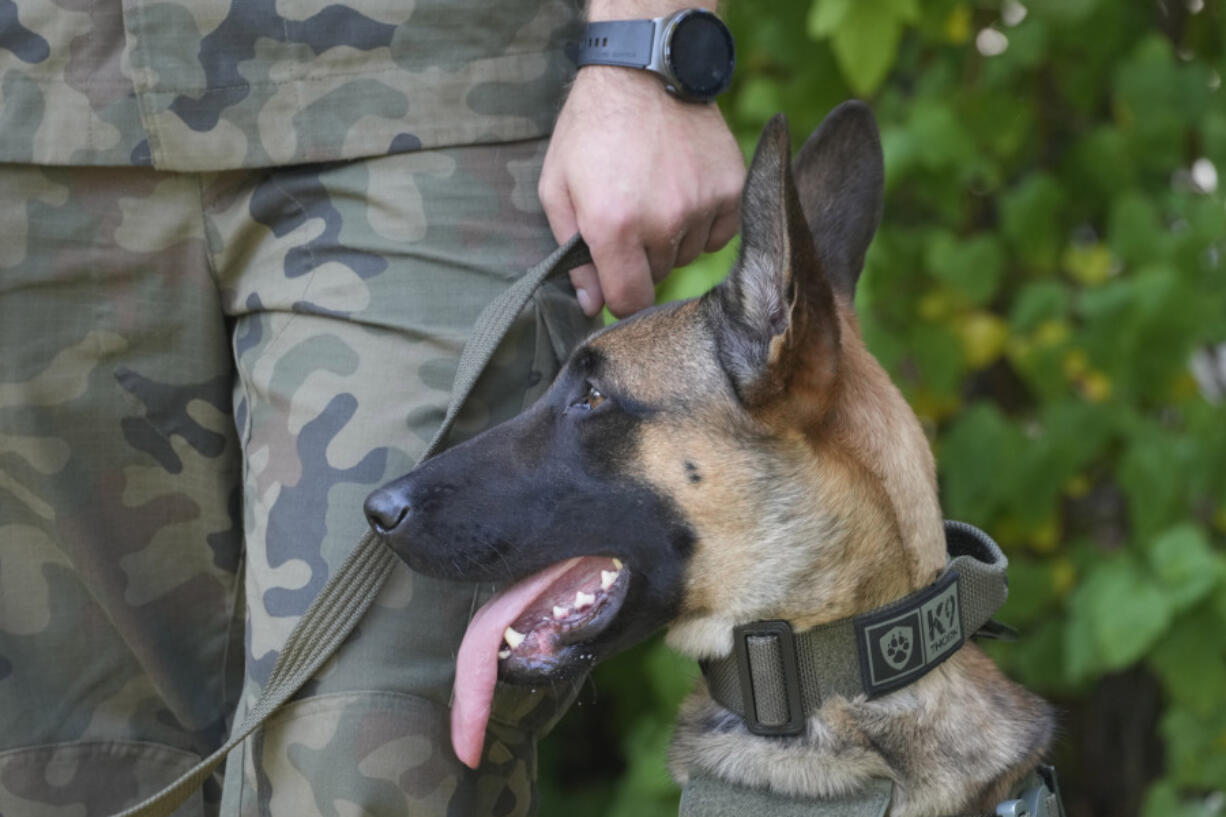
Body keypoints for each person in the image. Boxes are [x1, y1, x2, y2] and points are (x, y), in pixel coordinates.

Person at [0, 1, 744, 814]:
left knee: (374, 761)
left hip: (425, 100)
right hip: (29, 121)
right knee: (60, 768)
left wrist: (651, 48)